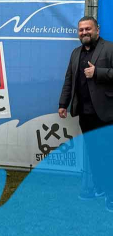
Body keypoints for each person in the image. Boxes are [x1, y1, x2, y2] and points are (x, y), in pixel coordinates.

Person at [58, 16, 113, 212]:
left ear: (97, 29)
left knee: (108, 154)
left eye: (87, 29)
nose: (84, 33)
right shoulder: (75, 53)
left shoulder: (109, 48)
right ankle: (99, 187)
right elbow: (68, 80)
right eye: (81, 30)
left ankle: (111, 194)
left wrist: (98, 72)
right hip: (85, 114)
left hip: (106, 114)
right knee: (94, 154)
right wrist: (63, 104)